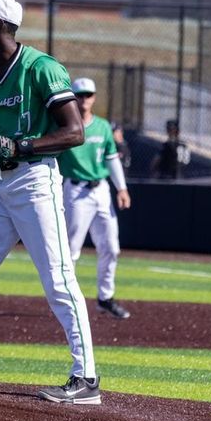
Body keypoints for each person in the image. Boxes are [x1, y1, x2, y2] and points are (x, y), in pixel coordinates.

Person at [0, 0, 100, 404]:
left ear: (0, 25)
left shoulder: (41, 68)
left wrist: (18, 147)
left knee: (57, 279)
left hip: (36, 181)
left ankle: (85, 378)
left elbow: (74, 133)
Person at [59, 77, 133, 320]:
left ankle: (105, 298)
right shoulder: (64, 125)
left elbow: (111, 159)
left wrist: (121, 189)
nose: (84, 99)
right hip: (76, 190)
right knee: (70, 250)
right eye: (79, 95)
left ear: (94, 97)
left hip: (101, 190)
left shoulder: (102, 127)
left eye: (88, 95)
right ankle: (65, 299)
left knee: (111, 247)